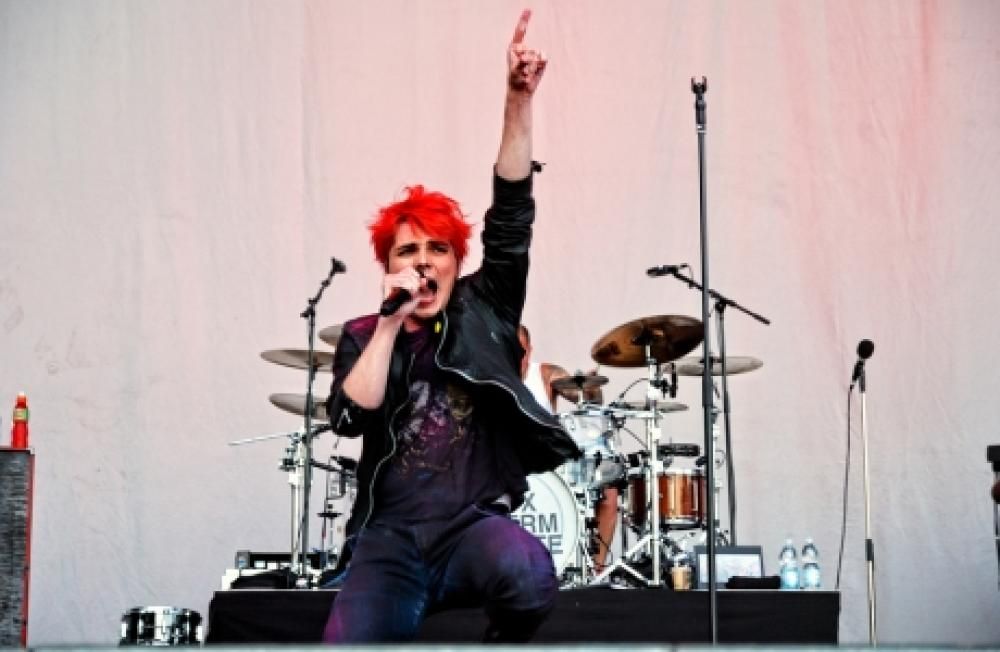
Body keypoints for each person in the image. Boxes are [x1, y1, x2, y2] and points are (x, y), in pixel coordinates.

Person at [322, 10, 580, 643]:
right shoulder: (364, 333)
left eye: (437, 250)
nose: (423, 262)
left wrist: (518, 100)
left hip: (471, 529)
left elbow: (512, 215)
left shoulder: (485, 307)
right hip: (389, 541)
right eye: (408, 251)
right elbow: (348, 418)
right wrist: (389, 326)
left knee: (529, 575)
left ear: (456, 263)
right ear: (388, 265)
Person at [518, 324, 620, 575]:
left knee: (608, 493)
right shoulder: (490, 375)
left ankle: (596, 570)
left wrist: (590, 389)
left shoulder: (545, 374)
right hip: (506, 463)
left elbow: (582, 397)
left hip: (547, 464)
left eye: (521, 351)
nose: (516, 357)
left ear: (530, 350)